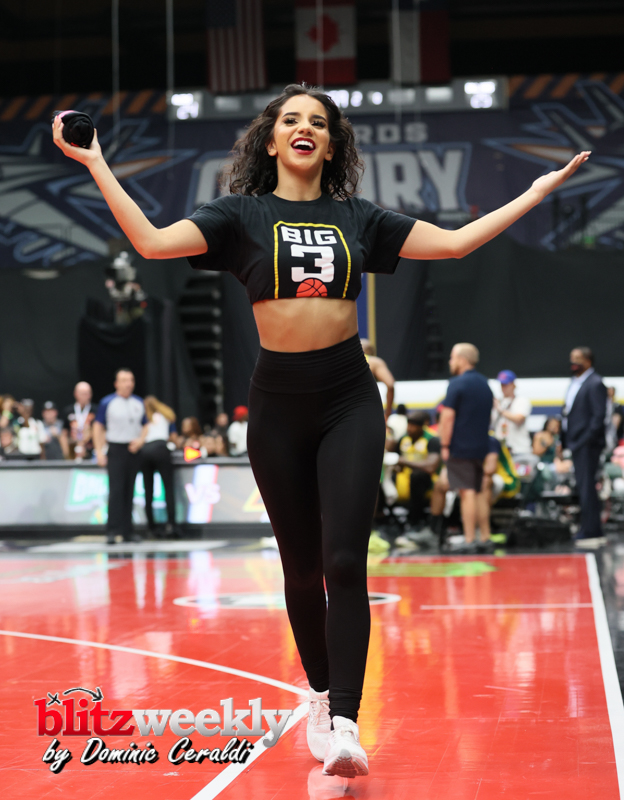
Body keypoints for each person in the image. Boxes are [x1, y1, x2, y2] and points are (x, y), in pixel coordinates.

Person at [53, 81, 589, 778]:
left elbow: (456, 244)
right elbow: (152, 244)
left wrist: (536, 193)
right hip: (276, 405)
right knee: (302, 570)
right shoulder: (239, 214)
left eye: (318, 122)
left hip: (347, 398)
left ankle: (345, 721)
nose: (304, 127)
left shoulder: (358, 217)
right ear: (272, 140)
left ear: (331, 145)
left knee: (343, 563)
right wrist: (96, 162)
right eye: (291, 120)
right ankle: (317, 691)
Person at [438, 344, 494, 552]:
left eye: (452, 358)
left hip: (460, 446)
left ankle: (469, 539)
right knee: (478, 491)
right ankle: (485, 537)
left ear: (462, 359)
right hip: (481, 445)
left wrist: (444, 444)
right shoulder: (485, 384)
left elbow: (447, 417)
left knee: (466, 492)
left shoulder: (456, 383)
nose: (450, 362)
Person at [93, 369, 148, 544]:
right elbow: (98, 426)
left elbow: (146, 425)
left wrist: (140, 440)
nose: (128, 384)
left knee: (130, 490)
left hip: (133, 449)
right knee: (116, 490)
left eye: (131, 380)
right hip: (116, 449)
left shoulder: (139, 402)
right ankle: (112, 530)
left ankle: (127, 531)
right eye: (124, 380)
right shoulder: (108, 402)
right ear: (116, 383)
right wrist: (99, 451)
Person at [562, 347, 607, 543]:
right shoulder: (574, 382)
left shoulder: (595, 383)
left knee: (587, 486)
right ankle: (589, 527)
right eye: (572, 358)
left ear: (588, 361)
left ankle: (591, 530)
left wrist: (584, 440)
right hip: (576, 442)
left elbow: (598, 417)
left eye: (577, 358)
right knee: (583, 486)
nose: (573, 362)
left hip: (587, 444)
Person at [392, 411, 441, 545]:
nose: (410, 429)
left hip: (427, 482)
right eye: (408, 425)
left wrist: (405, 461)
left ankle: (415, 523)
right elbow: (395, 460)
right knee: (381, 478)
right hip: (402, 480)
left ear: (421, 426)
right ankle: (383, 522)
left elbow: (431, 467)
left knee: (417, 476)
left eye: (413, 426)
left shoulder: (432, 439)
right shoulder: (403, 439)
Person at [140, 396, 179, 537]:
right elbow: (174, 437)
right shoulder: (166, 415)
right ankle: (171, 525)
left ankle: (151, 527)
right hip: (161, 449)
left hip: (145, 450)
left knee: (148, 490)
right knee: (168, 488)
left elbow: (140, 436)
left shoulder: (144, 418)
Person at [491, 370, 532, 456]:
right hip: (501, 450)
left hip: (519, 450)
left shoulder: (521, 401)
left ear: (513, 385)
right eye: (502, 384)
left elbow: (519, 419)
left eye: (506, 384)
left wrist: (500, 410)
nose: (503, 387)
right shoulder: (498, 401)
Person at [62, 381, 97, 461]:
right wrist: (66, 453)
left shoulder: (96, 410)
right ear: (76, 394)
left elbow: (100, 431)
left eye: (86, 393)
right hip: (73, 450)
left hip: (91, 451)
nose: (84, 396)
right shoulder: (68, 410)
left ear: (90, 394)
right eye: (82, 393)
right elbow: (64, 433)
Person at [361, 339, 394, 420]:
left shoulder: (341, 361)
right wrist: (387, 413)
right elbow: (390, 385)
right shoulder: (374, 362)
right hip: (366, 412)